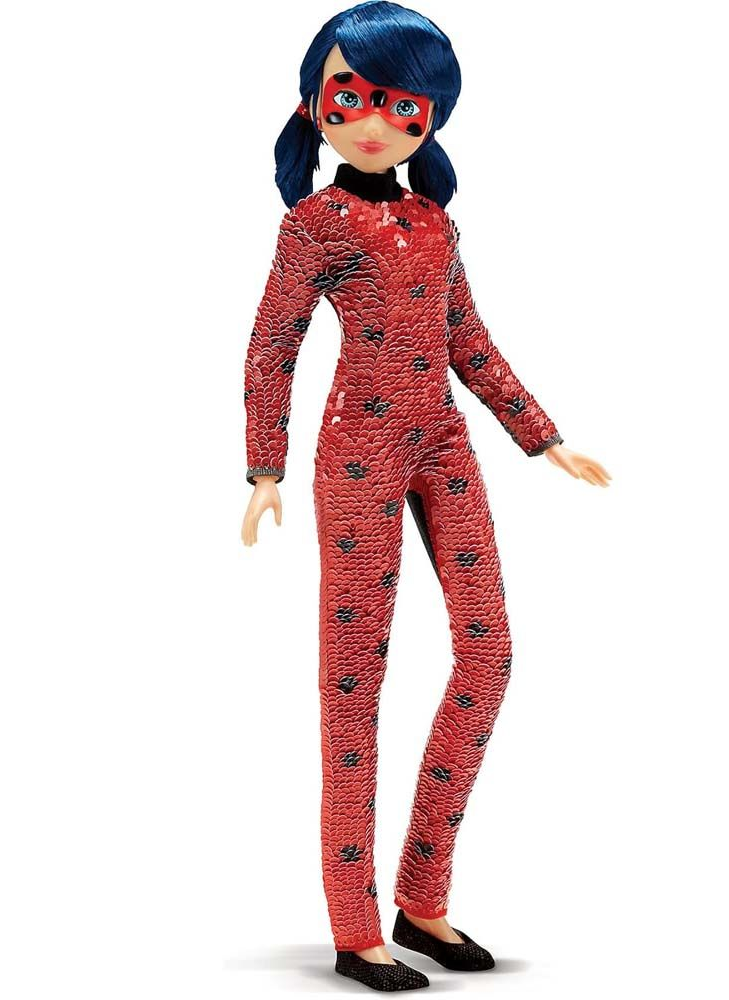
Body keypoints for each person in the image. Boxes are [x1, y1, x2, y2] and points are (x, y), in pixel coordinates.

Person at [241, 3, 611, 990]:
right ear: (314, 106)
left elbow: (468, 343)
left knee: (488, 653)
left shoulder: (434, 223)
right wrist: (265, 468)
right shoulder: (314, 225)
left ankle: (423, 896)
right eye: (350, 99)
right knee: (353, 684)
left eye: (401, 107)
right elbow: (273, 347)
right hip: (357, 450)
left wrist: (543, 437)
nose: (374, 124)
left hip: (442, 440)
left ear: (432, 117)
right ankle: (353, 924)